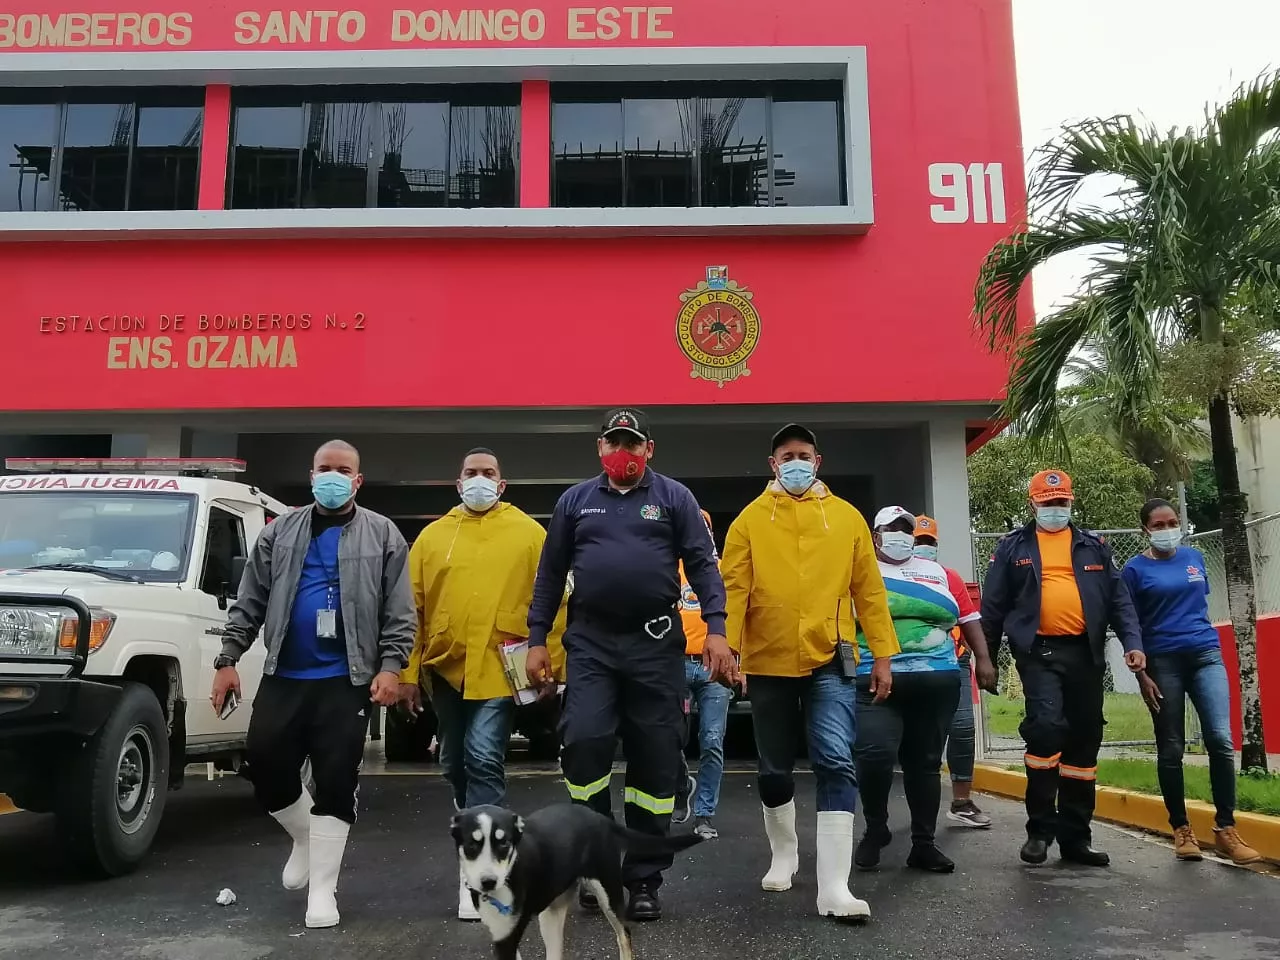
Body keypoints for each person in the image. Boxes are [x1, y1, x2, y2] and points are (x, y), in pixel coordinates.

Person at [523, 408, 736, 922]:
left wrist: (718, 631)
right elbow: (550, 576)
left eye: (633, 443)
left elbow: (705, 566)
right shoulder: (575, 501)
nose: (624, 452)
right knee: (584, 741)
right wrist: (536, 640)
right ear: (600, 449)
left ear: (649, 449)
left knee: (657, 757)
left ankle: (643, 878)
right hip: (591, 645)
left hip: (655, 646)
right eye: (615, 443)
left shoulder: (674, 498)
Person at [211, 440, 415, 928]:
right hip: (285, 674)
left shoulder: (384, 535)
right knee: (264, 765)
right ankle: (306, 836)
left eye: (343, 470)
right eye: (325, 468)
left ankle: (323, 891)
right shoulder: (278, 532)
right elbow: (250, 600)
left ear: (358, 480)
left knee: (337, 779)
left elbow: (400, 611)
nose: (333, 477)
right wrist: (228, 657)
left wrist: (392, 666)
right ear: (311, 474)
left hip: (346, 680)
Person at [720, 423, 898, 922]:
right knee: (774, 767)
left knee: (836, 760)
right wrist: (727, 648)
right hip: (768, 659)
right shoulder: (749, 521)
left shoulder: (846, 519)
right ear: (773, 465)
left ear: (817, 461)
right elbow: (733, 589)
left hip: (831, 658)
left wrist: (883, 654)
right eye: (786, 455)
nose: (795, 462)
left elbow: (869, 591)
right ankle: (784, 853)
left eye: (804, 454)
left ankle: (834, 888)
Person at [397, 447, 567, 920]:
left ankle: (479, 875)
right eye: (471, 473)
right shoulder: (432, 538)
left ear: (502, 484)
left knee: (483, 756)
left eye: (488, 473)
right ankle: (474, 813)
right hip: (446, 668)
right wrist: (408, 673)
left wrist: (549, 661)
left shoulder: (531, 534)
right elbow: (411, 611)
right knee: (454, 762)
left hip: (501, 667)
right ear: (457, 483)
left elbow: (554, 598)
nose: (479, 480)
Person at [980, 469, 1145, 867]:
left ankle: (1076, 839)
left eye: (1062, 502)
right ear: (1032, 503)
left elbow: (1119, 600)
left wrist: (1133, 644)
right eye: (1048, 502)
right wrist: (983, 658)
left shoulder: (1094, 547)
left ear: (1071, 502)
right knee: (1047, 727)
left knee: (1083, 742)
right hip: (1038, 653)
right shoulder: (1012, 547)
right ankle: (1039, 832)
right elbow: (993, 607)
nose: (1056, 509)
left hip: (1085, 654)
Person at [853, 507, 996, 873]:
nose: (900, 535)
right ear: (875, 534)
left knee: (926, 764)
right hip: (875, 678)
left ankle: (923, 844)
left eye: (906, 529)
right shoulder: (857, 569)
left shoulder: (940, 574)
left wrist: (984, 659)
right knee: (874, 754)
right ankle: (876, 828)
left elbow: (967, 618)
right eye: (891, 529)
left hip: (938, 678)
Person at [1123, 499, 1262, 865]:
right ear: (1146, 530)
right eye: (1159, 524)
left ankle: (1226, 830)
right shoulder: (1133, 570)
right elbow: (1129, 622)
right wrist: (1141, 673)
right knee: (1171, 748)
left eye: (1172, 521)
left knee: (1220, 737)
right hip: (1162, 661)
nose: (1168, 528)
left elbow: (1197, 607)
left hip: (1205, 654)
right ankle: (1181, 829)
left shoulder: (1194, 558)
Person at [912, 514, 996, 828]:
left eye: (928, 542)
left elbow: (969, 618)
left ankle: (962, 801)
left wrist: (983, 659)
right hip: (907, 663)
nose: (923, 547)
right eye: (918, 541)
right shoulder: (893, 576)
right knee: (917, 735)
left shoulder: (948, 577)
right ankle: (920, 801)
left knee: (961, 728)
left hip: (953, 661)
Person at [671, 508, 732, 840]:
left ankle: (705, 813)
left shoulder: (723, 572)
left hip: (714, 667)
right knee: (671, 739)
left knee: (711, 741)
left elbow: (737, 618)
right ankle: (681, 787)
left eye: (705, 527)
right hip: (674, 664)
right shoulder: (667, 568)